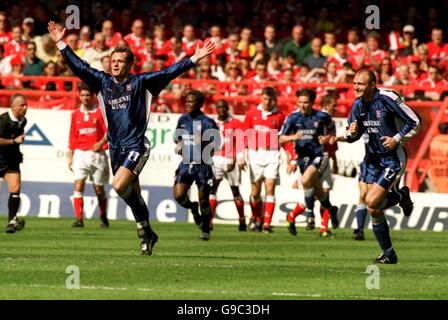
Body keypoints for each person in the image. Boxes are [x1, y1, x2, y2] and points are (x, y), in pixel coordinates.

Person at [48, 21, 215, 255]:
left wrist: (193, 59)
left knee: (118, 185)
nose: (115, 64)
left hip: (137, 145)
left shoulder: (141, 83)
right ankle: (146, 231)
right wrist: (61, 43)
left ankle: (144, 228)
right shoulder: (103, 82)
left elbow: (169, 71)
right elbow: (80, 67)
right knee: (133, 193)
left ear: (129, 65)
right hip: (115, 148)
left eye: (120, 61)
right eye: (113, 61)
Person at [345, 69, 421, 264]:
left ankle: (400, 196)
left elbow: (415, 121)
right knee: (374, 208)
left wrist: (397, 139)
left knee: (371, 202)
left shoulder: (388, 98)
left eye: (360, 84)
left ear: (372, 85)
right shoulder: (357, 105)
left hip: (392, 158)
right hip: (372, 160)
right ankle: (389, 253)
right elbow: (351, 135)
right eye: (354, 83)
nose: (355, 87)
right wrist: (352, 133)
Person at [279, 89, 338, 237]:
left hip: (318, 156)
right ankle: (330, 209)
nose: (303, 105)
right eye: (300, 102)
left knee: (307, 181)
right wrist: (293, 138)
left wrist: (327, 138)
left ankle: (311, 215)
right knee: (319, 190)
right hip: (302, 158)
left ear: (312, 103)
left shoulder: (322, 116)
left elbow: (332, 131)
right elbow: (280, 138)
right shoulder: (292, 118)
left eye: (306, 102)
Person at [172, 90, 220, 241]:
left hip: (203, 165)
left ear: (200, 104)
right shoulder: (183, 119)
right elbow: (178, 137)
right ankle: (193, 208)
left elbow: (216, 145)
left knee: (204, 200)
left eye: (191, 102)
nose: (187, 104)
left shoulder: (208, 122)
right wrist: (179, 144)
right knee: (179, 196)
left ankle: (205, 228)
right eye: (186, 101)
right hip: (186, 163)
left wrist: (203, 144)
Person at [242, 87, 286, 233]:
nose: (267, 102)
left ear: (274, 99)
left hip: (272, 154)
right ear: (261, 98)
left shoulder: (279, 115)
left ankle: (266, 224)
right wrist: (241, 155)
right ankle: (256, 218)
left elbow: (284, 137)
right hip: (255, 153)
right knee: (255, 192)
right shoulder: (252, 114)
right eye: (265, 99)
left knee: (270, 188)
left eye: (270, 99)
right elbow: (243, 135)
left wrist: (291, 157)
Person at [68, 84, 109, 228]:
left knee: (99, 189)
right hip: (80, 154)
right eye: (83, 95)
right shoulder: (75, 114)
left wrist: (100, 143)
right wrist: (70, 156)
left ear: (92, 96)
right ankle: (79, 219)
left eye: (87, 95)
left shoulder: (99, 113)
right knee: (78, 185)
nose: (85, 98)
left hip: (97, 155)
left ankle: (103, 216)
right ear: (79, 96)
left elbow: (108, 132)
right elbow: (72, 136)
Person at [209, 99, 246, 231]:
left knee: (235, 190)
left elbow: (241, 141)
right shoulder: (212, 123)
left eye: (224, 107)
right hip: (216, 160)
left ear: (228, 108)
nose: (222, 109)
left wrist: (236, 159)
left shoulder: (236, 123)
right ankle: (209, 221)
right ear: (216, 109)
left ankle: (242, 219)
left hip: (231, 159)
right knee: (212, 188)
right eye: (219, 107)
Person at [0, 94, 27, 233]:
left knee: (15, 188)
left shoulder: (23, 121)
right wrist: (13, 142)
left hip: (10, 160)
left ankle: (11, 221)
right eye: (22, 105)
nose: (25, 107)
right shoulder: (3, 120)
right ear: (13, 106)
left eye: (26, 104)